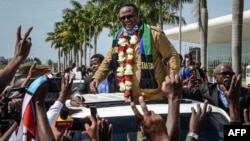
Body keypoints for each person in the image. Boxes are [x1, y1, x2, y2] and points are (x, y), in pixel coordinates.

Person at [90, 2, 180, 102]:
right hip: (131, 98)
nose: (126, 20)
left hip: (156, 97)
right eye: (122, 18)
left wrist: (171, 79)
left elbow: (172, 56)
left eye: (129, 16)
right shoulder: (118, 38)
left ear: (138, 15)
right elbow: (107, 61)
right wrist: (96, 78)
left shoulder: (154, 34)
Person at [182, 63, 250, 123]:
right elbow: (185, 93)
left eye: (230, 74)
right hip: (215, 134)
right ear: (216, 78)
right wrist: (179, 87)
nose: (228, 76)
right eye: (224, 74)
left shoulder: (246, 93)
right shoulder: (206, 89)